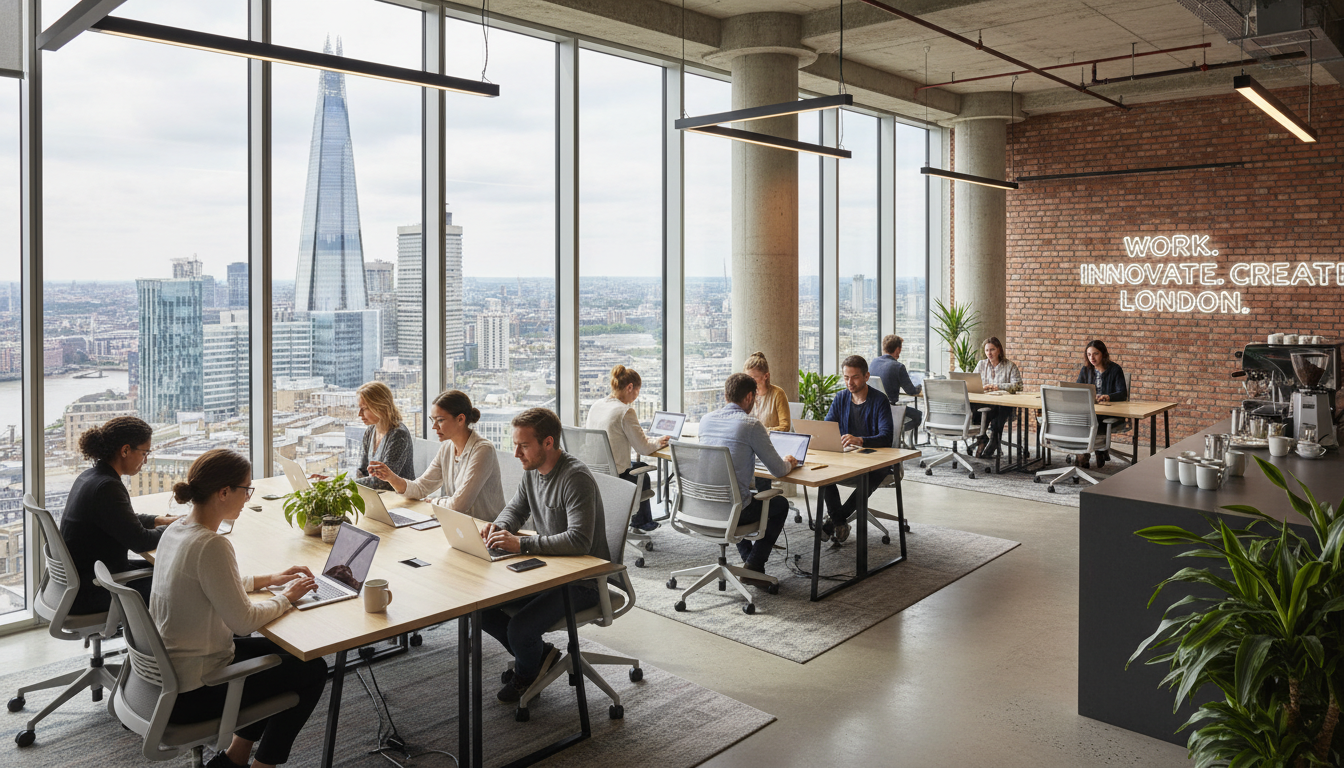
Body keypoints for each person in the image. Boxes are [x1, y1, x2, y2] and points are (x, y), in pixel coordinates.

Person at [151, 449, 324, 768]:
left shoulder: (177, 530)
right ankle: (263, 765)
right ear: (224, 492)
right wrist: (286, 597)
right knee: (312, 668)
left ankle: (234, 758)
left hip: (168, 676)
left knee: (277, 651)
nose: (248, 497)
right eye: (246, 489)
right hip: (196, 689)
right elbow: (243, 622)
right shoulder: (212, 544)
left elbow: (207, 580)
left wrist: (268, 579)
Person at [479, 408, 610, 704]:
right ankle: (539, 658)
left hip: (583, 581)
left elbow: (579, 541)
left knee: (520, 628)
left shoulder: (574, 478)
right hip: (548, 570)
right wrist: (499, 527)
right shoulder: (533, 472)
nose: (516, 453)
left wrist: (522, 545)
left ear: (548, 443)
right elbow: (516, 508)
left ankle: (528, 674)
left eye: (523, 445)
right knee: (481, 609)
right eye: (515, 445)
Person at [60, 416, 178, 615]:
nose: (146, 460)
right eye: (144, 453)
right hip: (95, 589)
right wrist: (177, 527)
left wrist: (158, 520)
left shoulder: (90, 477)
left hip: (89, 578)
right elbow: (141, 542)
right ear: (125, 450)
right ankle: (168, 644)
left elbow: (118, 518)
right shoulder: (107, 486)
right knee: (180, 584)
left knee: (172, 570)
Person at [697, 373, 798, 581]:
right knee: (779, 504)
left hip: (702, 506)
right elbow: (779, 470)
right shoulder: (750, 425)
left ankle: (748, 562)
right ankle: (754, 564)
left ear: (726, 396)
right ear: (750, 397)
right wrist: (790, 462)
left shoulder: (705, 421)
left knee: (741, 496)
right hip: (732, 510)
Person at [369, 390, 505, 522]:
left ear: (460, 419)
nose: (434, 427)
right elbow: (420, 488)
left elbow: (458, 506)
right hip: (459, 526)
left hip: (487, 531)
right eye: (433, 420)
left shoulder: (483, 450)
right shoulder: (447, 448)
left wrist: (434, 501)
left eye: (440, 420)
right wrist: (391, 477)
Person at [819, 355, 894, 543]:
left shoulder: (879, 400)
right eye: (846, 377)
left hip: (876, 460)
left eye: (854, 377)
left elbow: (886, 437)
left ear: (866, 376)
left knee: (868, 477)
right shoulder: (841, 398)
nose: (849, 382)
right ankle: (840, 522)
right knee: (822, 474)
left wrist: (860, 440)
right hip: (848, 459)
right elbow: (828, 427)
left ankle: (832, 523)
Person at [584, 365, 668, 532]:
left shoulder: (597, 405)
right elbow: (644, 448)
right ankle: (641, 522)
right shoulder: (625, 411)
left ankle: (642, 522)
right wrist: (660, 442)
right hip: (615, 477)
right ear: (630, 387)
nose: (637, 396)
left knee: (637, 467)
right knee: (642, 472)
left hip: (594, 474)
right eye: (637, 391)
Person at [742, 352, 791, 495]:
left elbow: (785, 426)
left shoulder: (777, 394)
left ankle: (764, 504)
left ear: (766, 376)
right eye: (747, 378)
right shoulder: (746, 395)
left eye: (753, 378)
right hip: (749, 445)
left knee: (760, 473)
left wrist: (761, 432)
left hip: (769, 446)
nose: (749, 382)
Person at [1075, 339, 1128, 469]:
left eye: (1095, 354)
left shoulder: (1115, 369)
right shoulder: (1086, 370)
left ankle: (1090, 453)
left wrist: (1108, 397)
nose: (1091, 357)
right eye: (1088, 354)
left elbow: (1122, 393)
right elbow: (1077, 389)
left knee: (1091, 422)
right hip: (1089, 410)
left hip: (1107, 413)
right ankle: (1088, 454)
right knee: (1079, 419)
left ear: (1103, 354)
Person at [352, 381, 414, 491]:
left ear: (380, 406)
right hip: (376, 496)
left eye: (365, 408)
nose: (360, 414)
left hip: (400, 500)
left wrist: (339, 484)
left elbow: (383, 482)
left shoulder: (399, 435)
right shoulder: (370, 431)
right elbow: (362, 472)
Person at [972, 337, 1023, 458]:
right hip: (985, 402)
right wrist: (981, 387)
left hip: (1003, 404)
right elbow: (973, 382)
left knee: (999, 411)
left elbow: (1018, 386)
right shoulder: (981, 364)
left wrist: (997, 386)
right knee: (973, 409)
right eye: (987, 350)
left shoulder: (1010, 366)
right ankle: (982, 437)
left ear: (999, 350)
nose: (989, 353)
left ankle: (995, 438)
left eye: (992, 349)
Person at [869, 334, 923, 441]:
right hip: (890, 410)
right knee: (918, 415)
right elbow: (911, 391)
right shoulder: (898, 367)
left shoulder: (873, 362)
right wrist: (920, 386)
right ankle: (896, 433)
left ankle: (892, 433)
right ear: (898, 350)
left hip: (873, 409)